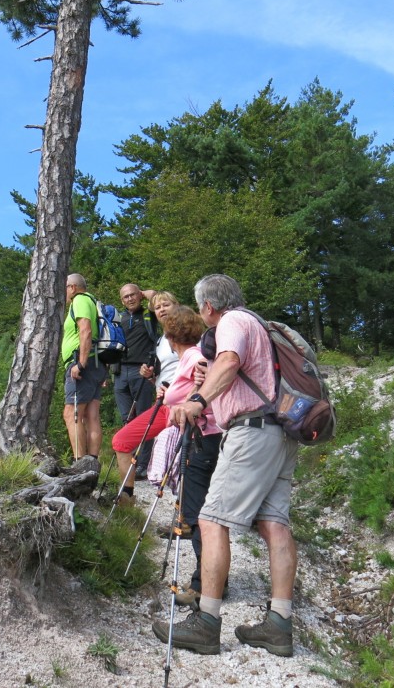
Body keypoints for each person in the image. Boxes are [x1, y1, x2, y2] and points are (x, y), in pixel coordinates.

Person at [155, 274, 300, 657]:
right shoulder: (257, 324)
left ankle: (206, 622)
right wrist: (212, 378)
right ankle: (279, 625)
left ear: (207, 306)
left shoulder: (231, 322)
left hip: (252, 432)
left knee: (210, 519)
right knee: (275, 523)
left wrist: (198, 400)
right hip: (280, 432)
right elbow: (239, 369)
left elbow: (232, 361)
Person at [144, 305, 223, 607]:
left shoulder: (193, 357)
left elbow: (201, 387)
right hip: (208, 437)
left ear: (170, 334)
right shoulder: (193, 357)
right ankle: (212, 582)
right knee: (205, 515)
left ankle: (204, 587)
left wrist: (186, 398)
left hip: (202, 438)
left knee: (198, 515)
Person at [110, 291, 179, 498]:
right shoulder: (161, 340)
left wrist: (148, 293)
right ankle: (126, 500)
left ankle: (188, 517)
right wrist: (151, 376)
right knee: (121, 441)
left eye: (166, 305)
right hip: (164, 405)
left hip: (186, 407)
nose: (161, 310)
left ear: (177, 305)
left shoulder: (187, 334)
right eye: (157, 307)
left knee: (184, 463)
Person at [112, 283, 159, 479]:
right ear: (121, 300)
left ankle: (144, 465)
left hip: (143, 371)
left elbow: (158, 298)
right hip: (120, 372)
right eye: (126, 297)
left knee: (144, 419)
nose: (130, 299)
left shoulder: (149, 314)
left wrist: (146, 293)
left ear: (139, 296)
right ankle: (129, 464)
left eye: (133, 295)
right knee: (127, 419)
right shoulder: (119, 318)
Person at [62, 273, 109, 461]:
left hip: (83, 364)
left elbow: (85, 329)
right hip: (95, 363)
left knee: (71, 414)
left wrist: (80, 363)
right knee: (91, 415)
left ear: (72, 287)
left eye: (65, 288)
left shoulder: (80, 300)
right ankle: (92, 462)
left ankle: (79, 462)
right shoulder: (91, 301)